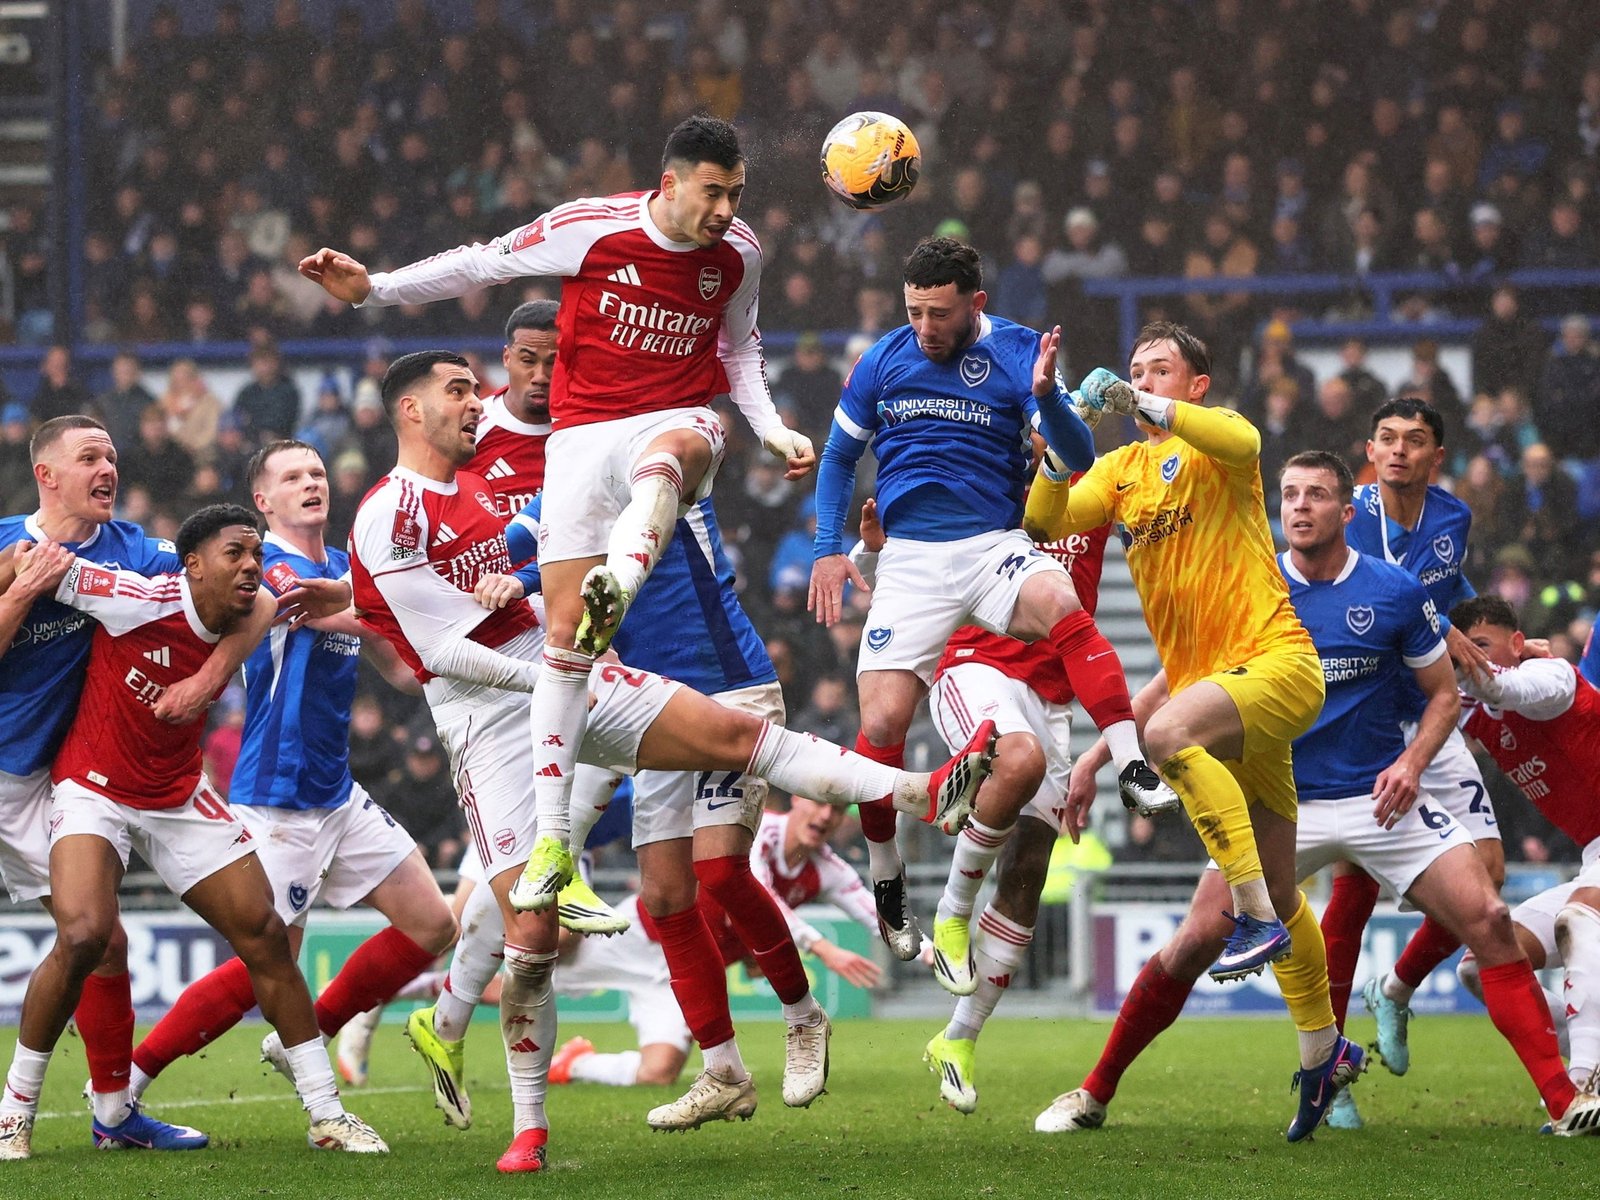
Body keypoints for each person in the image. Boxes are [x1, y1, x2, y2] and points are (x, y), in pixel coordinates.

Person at [346, 351, 992, 1171]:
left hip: (622, 674)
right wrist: (521, 636)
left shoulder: (645, 449)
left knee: (722, 804)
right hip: (498, 712)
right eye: (461, 390)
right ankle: (530, 1119)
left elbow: (535, 552)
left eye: (482, 387)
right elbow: (439, 645)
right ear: (410, 409)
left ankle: (925, 792)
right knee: (558, 922)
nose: (482, 402)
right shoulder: (395, 509)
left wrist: (539, 615)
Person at [300, 117, 817, 919]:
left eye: (736, 193)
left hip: (673, 428)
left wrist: (768, 424)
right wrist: (377, 288)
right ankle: (541, 860)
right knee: (567, 648)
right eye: (712, 192)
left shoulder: (739, 252)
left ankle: (626, 573)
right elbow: (484, 261)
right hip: (578, 476)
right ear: (670, 183)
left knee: (669, 462)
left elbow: (739, 349)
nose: (724, 210)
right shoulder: (591, 230)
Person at [808, 237, 1165, 962]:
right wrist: (826, 551)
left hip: (992, 545)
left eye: (938, 314)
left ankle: (1130, 760)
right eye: (913, 312)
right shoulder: (883, 358)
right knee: (879, 726)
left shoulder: (1021, 351)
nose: (924, 329)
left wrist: (1043, 398)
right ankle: (886, 879)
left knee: (1063, 604)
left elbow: (1079, 455)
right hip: (909, 561)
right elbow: (842, 455)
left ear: (977, 303)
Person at [1025, 323, 1339, 1125]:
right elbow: (1044, 524)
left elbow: (1246, 432)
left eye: (1159, 369)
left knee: (1168, 737)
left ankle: (1255, 926)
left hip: (1276, 666)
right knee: (1277, 882)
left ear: (1196, 383)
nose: (1137, 379)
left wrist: (1146, 402)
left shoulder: (1219, 450)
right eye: (1133, 369)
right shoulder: (1124, 471)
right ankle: (1321, 1056)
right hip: (1219, 696)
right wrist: (1058, 434)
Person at [0, 506, 386, 1157]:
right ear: (194, 565)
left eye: (257, 555)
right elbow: (42, 570)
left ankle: (327, 1114)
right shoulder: (134, 596)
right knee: (86, 935)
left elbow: (269, 603)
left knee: (266, 936)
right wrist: (25, 560)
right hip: (92, 789)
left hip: (178, 796)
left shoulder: (250, 603)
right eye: (235, 553)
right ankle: (15, 1111)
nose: (251, 567)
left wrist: (206, 679)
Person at [124, 441, 458, 1104]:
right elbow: (324, 608)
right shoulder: (260, 570)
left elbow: (398, 669)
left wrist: (428, 653)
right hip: (277, 799)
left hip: (335, 793)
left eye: (318, 473)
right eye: (293, 477)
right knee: (262, 969)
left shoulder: (340, 569)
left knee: (434, 925)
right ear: (264, 501)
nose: (312, 483)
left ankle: (303, 1035)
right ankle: (128, 1079)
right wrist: (384, 603)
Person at [0, 416, 274, 1158]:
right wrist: (21, 591)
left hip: (30, 783)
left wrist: (210, 675)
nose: (107, 468)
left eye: (113, 456)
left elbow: (256, 596)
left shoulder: (135, 551)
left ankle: (110, 1114)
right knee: (96, 939)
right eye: (89, 457)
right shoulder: (6, 543)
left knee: (100, 941)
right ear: (46, 474)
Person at [847, 492, 1113, 1114]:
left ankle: (958, 1040)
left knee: (1025, 872)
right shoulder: (982, 476)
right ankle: (951, 911)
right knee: (1016, 759)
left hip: (1053, 702)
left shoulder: (1100, 493)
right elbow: (899, 565)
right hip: (975, 667)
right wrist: (871, 549)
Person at [1325, 398, 1501, 1092]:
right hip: (1363, 722)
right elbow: (1363, 594)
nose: (1398, 451)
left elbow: (1451, 586)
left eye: (1415, 441)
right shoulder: (1351, 516)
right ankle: (1328, 1065)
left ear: (1437, 456)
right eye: (1388, 439)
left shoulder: (1454, 518)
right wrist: (1437, 623)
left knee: (1486, 879)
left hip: (1431, 712)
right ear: (1371, 448)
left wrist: (1497, 636)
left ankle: (1394, 990)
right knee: (1356, 894)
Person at [464, 298, 622, 931]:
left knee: (610, 732)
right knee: (496, 895)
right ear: (507, 359)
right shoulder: (471, 433)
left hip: (571, 626)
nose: (539, 374)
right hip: (491, 648)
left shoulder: (588, 431)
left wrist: (526, 579)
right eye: (527, 360)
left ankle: (564, 857)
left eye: (552, 362)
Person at [1450, 595, 1600, 1128]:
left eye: (1481, 646)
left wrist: (1451, 646)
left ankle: (1584, 1083)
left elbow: (1499, 684)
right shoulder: (1477, 710)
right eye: (1463, 648)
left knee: (1579, 920)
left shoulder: (1552, 678)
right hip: (1595, 855)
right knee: (1483, 963)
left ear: (1518, 645)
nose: (1468, 658)